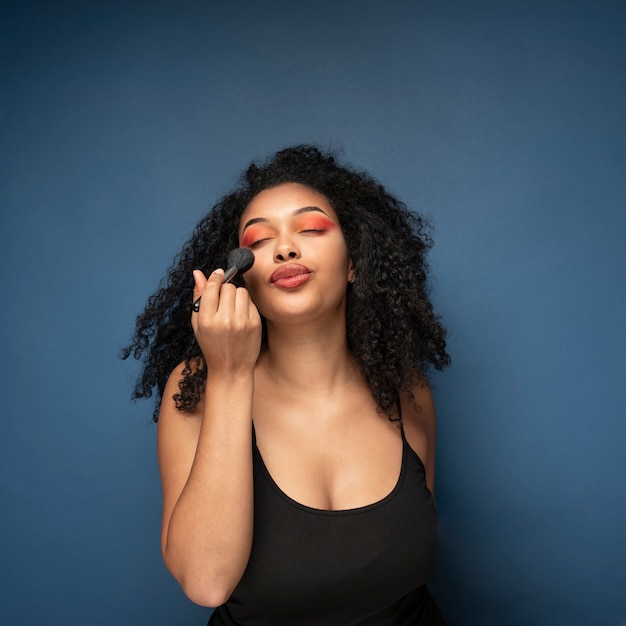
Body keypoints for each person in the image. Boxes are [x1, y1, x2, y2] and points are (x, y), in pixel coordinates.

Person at [122, 145, 451, 625]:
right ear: (241, 281)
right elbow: (206, 581)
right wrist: (231, 374)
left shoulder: (405, 388)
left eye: (311, 229)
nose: (284, 248)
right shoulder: (196, 388)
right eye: (258, 241)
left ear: (356, 262)